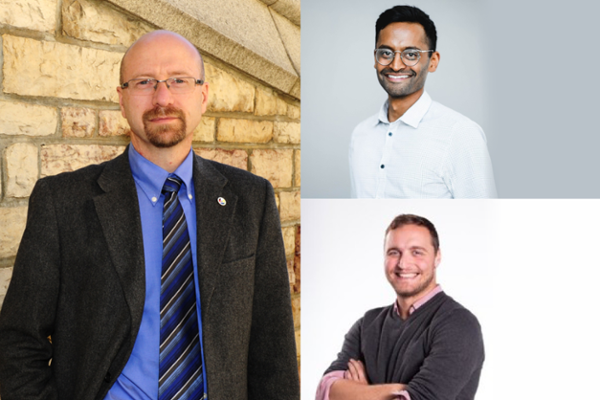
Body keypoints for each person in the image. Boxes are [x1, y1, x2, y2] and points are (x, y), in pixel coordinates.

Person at [0, 30, 299, 400]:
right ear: (121, 101)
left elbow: (273, 349)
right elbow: (18, 341)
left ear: (203, 96)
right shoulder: (62, 203)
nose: (162, 97)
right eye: (144, 82)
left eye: (178, 81)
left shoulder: (251, 199)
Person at [315, 214, 484, 400]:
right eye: (394, 252)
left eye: (417, 252)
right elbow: (325, 390)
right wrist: (398, 390)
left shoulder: (458, 324)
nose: (403, 264)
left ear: (437, 257)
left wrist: (358, 394)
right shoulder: (367, 324)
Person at [349, 5, 496, 198]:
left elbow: (482, 219)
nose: (395, 65)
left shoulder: (461, 135)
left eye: (411, 55)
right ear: (375, 59)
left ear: (433, 61)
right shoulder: (360, 134)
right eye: (386, 53)